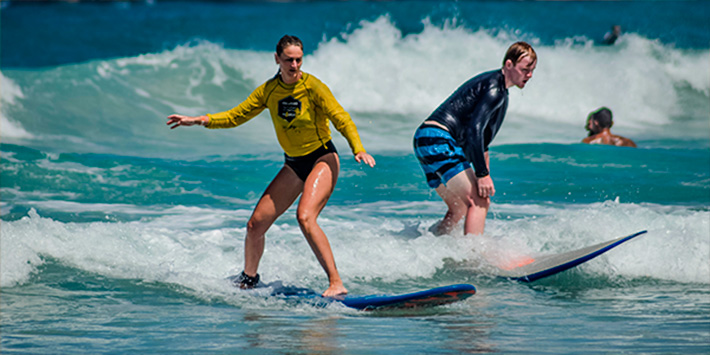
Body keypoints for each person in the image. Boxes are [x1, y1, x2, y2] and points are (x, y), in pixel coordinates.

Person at [167, 35, 376, 297]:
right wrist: (199, 120)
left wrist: (358, 148)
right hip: (294, 165)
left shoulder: (314, 87)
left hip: (323, 158)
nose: (295, 65)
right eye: (289, 59)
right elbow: (236, 116)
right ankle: (249, 279)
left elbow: (341, 118)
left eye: (299, 59)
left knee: (305, 217)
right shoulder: (269, 91)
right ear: (277, 59)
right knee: (255, 225)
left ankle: (336, 283)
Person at [413, 41, 537, 236]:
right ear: (509, 65)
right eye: (525, 70)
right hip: (438, 139)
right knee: (479, 202)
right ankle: (473, 259)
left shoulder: (500, 92)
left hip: (425, 140)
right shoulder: (495, 89)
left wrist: (485, 174)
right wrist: (481, 174)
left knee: (460, 207)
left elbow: (483, 142)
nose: (529, 75)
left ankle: (432, 247)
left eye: (532, 71)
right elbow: (474, 131)